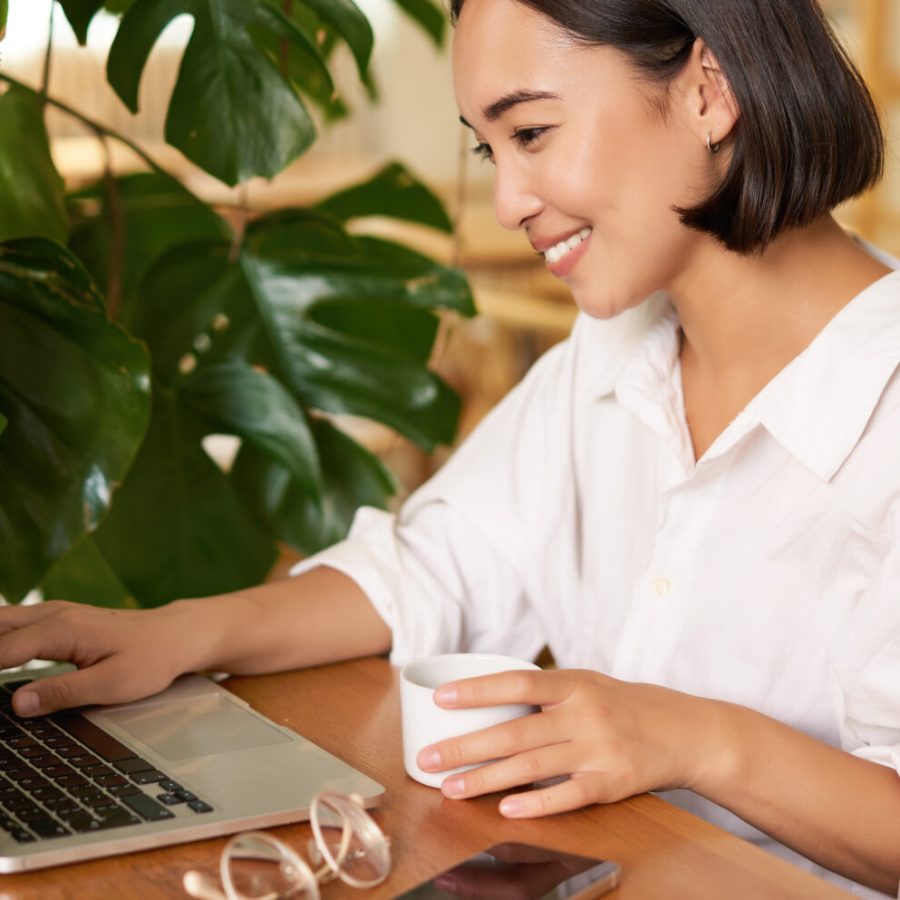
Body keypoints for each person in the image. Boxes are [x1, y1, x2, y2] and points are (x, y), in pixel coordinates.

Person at [2, 0, 900, 893]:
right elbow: (437, 567)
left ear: (710, 90)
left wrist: (698, 738)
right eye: (488, 147)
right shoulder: (615, 356)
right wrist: (176, 635)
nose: (509, 201)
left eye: (534, 132)